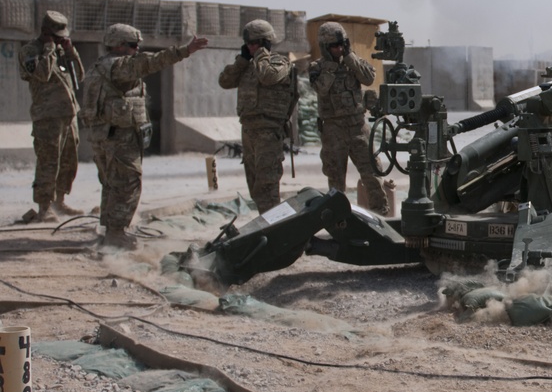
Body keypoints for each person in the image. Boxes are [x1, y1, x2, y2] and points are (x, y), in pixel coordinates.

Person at [81, 24, 209, 249]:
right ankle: (115, 235)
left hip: (102, 135)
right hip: (119, 137)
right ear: (119, 46)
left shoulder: (98, 66)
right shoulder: (119, 66)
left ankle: (111, 229)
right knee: (127, 183)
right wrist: (184, 51)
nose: (137, 49)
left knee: (111, 183)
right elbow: (152, 62)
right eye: (133, 45)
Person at [309, 21, 388, 215]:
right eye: (334, 46)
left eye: (341, 44)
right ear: (325, 48)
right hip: (333, 129)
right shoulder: (317, 67)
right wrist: (330, 67)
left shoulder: (353, 61)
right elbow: (321, 88)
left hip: (357, 126)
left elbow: (369, 78)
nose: (338, 49)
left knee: (372, 174)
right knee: (336, 180)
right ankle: (339, 221)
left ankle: (382, 217)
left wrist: (349, 57)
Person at [219, 19, 294, 214]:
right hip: (249, 131)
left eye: (256, 43)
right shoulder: (247, 66)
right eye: (248, 44)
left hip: (269, 132)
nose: (252, 47)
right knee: (255, 187)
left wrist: (261, 54)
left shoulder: (280, 62)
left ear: (266, 43)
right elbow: (225, 81)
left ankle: (276, 231)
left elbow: (268, 76)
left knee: (267, 186)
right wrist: (242, 61)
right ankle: (268, 226)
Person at [17, 10, 86, 223]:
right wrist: (48, 49)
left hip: (68, 114)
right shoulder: (31, 51)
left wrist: (71, 52)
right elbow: (42, 74)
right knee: (49, 161)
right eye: (56, 37)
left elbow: (79, 77)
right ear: (46, 32)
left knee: (68, 161)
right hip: (47, 117)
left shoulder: (60, 50)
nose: (59, 40)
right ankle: (44, 207)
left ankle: (60, 201)